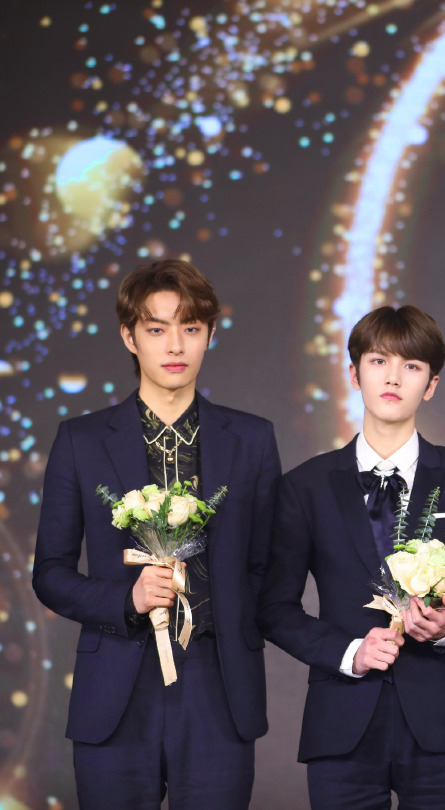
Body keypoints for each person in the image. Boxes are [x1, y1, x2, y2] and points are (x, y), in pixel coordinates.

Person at [32, 259, 281, 809]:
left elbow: (265, 565)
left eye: (190, 328)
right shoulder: (81, 440)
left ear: (210, 335)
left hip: (218, 683)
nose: (175, 345)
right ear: (130, 336)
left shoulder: (253, 439)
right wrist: (127, 599)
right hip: (116, 684)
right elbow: (49, 573)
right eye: (157, 328)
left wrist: (223, 618)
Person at [257, 305, 445, 810]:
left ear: (431, 384)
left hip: (441, 723)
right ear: (354, 374)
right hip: (340, 722)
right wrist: (350, 653)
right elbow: (273, 608)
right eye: (379, 361)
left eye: (411, 366)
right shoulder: (305, 486)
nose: (393, 378)